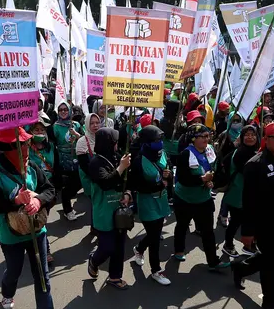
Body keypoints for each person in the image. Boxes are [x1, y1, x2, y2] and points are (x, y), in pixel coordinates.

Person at [0, 127, 60, 309]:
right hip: (11, 235)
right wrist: (15, 200)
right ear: (8, 149)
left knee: (42, 273)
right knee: (13, 271)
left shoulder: (33, 166)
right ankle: (7, 294)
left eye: (27, 143)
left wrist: (39, 201)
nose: (27, 147)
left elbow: (50, 190)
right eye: (22, 144)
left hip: (38, 231)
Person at [233, 122, 274, 309]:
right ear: (266, 140)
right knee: (273, 263)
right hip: (264, 222)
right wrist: (248, 231)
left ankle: (240, 268)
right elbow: (249, 201)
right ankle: (271, 302)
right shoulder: (255, 164)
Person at [173, 123, 226, 269]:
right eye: (201, 136)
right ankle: (179, 250)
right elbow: (183, 179)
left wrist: (212, 181)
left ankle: (213, 261)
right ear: (192, 139)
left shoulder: (210, 150)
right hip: (185, 198)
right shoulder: (186, 154)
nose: (205, 139)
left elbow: (216, 169)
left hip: (204, 199)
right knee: (182, 225)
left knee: (208, 231)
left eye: (207, 136)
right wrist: (202, 180)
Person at [86, 128, 133, 290]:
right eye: (114, 141)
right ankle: (94, 261)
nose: (116, 144)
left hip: (119, 212)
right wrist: (120, 168)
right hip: (104, 212)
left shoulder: (117, 157)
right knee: (107, 247)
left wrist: (127, 194)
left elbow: (127, 182)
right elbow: (106, 182)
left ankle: (115, 277)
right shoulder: (95, 163)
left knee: (119, 247)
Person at [130, 125, 172, 285]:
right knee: (154, 237)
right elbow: (138, 186)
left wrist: (168, 175)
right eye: (155, 140)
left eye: (160, 139)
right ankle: (156, 270)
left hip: (161, 200)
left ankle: (139, 249)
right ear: (146, 142)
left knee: (155, 233)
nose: (159, 143)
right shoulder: (139, 161)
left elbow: (168, 170)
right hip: (147, 202)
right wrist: (160, 184)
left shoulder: (162, 154)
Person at [221, 124, 260, 256]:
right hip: (238, 193)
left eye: (253, 134)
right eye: (247, 135)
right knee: (236, 221)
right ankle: (228, 244)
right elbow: (249, 174)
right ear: (242, 137)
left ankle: (249, 245)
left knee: (250, 220)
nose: (250, 137)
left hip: (248, 195)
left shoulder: (256, 152)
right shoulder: (241, 153)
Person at [29, 115, 61, 262]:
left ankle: (39, 244)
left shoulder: (51, 147)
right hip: (34, 188)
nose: (40, 132)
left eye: (42, 129)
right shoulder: (27, 148)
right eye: (36, 130)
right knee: (41, 220)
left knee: (41, 219)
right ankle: (44, 250)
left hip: (49, 188)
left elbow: (57, 167)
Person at [52, 100, 83, 221]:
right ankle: (67, 210)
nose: (63, 112)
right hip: (62, 161)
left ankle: (67, 202)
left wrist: (75, 134)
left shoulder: (76, 125)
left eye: (66, 109)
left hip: (76, 158)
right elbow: (51, 144)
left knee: (78, 183)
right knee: (66, 186)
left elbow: (84, 139)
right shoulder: (55, 127)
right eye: (61, 110)